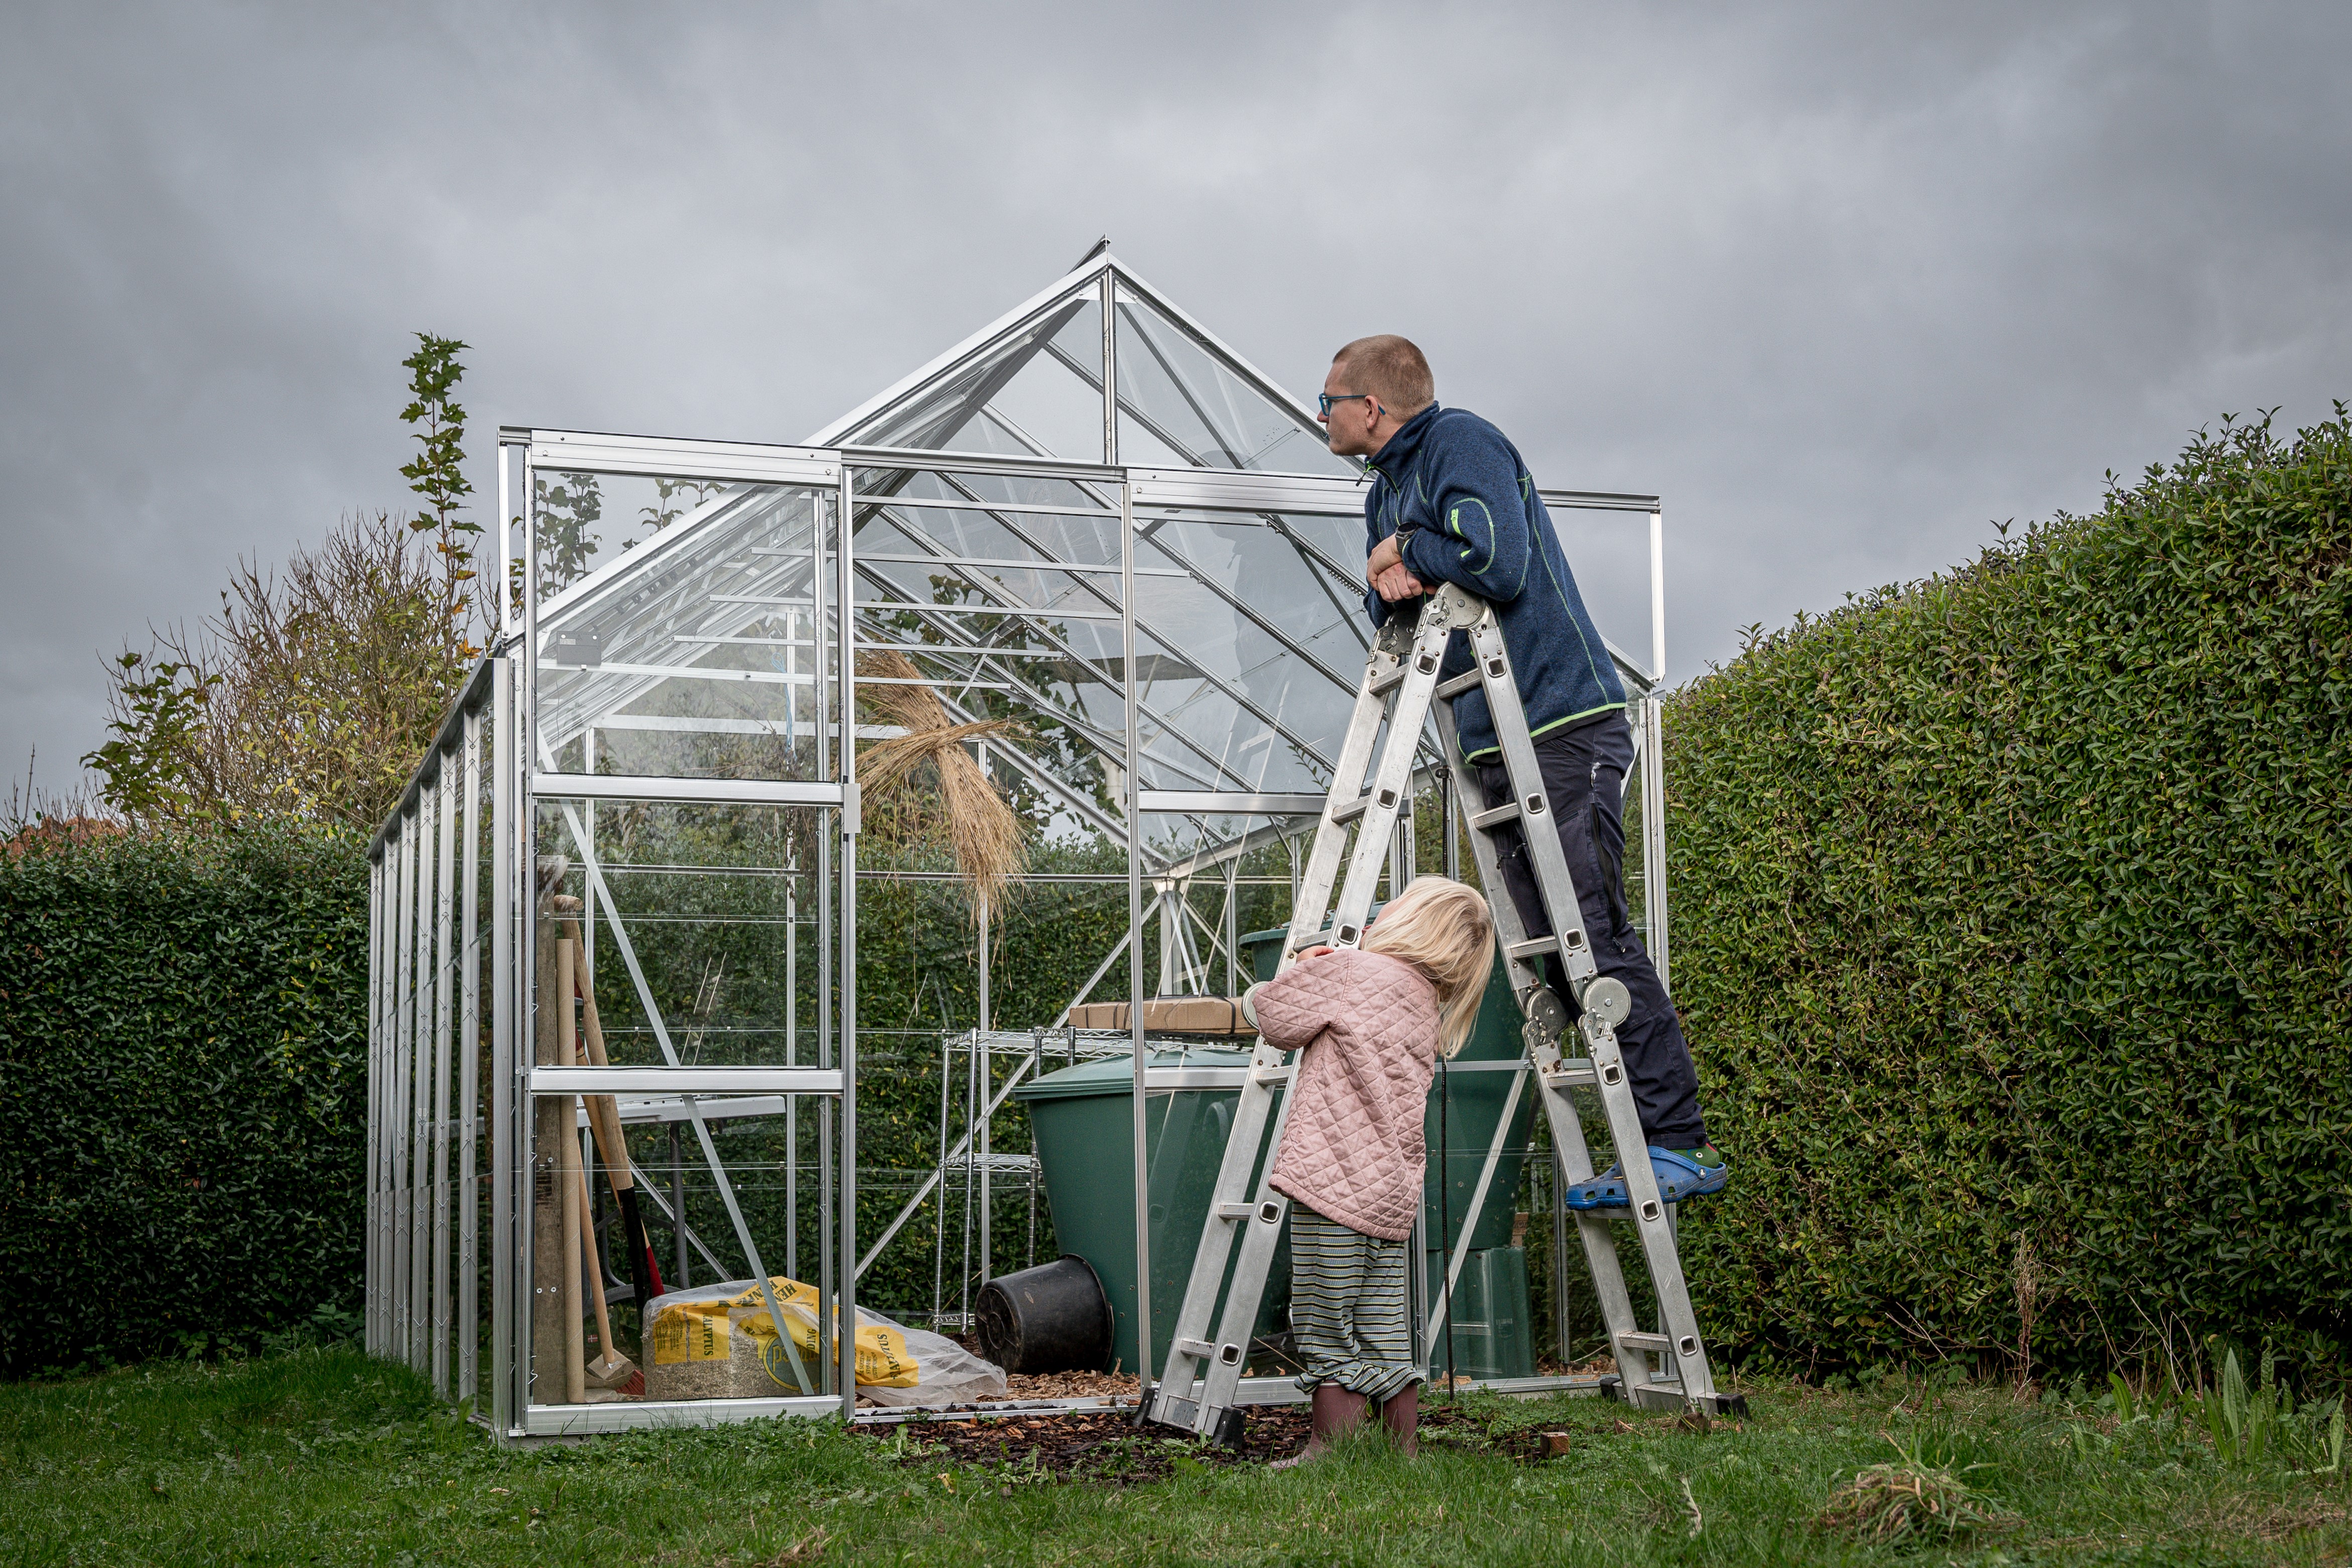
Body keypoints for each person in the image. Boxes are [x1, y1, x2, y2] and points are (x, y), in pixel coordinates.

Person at [1317, 334, 1728, 1210]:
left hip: (1563, 723)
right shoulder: (1385, 488)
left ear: (1371, 408)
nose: (1322, 417)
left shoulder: (1460, 443)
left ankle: (1678, 1141)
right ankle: (1634, 1145)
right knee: (1549, 947)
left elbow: (1493, 563)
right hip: (1494, 742)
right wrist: (1391, 561)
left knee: (1593, 935)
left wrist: (1405, 549)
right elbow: (1386, 601)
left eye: (1328, 403)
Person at [1251, 875, 1495, 1465]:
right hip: (1389, 1194)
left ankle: (1329, 1452)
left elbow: (1276, 1018)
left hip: (1333, 1186)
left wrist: (1295, 974)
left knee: (1325, 1322)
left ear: (1410, 922)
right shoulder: (1423, 1000)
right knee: (1384, 1327)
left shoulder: (1353, 971)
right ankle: (1399, 1453)